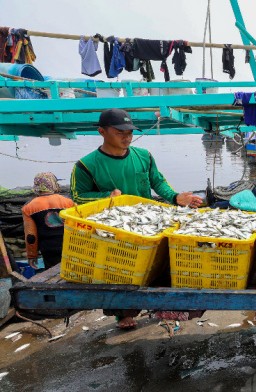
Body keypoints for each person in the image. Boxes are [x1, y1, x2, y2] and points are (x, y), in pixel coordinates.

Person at [71, 108, 203, 329]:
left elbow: (158, 182)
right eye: (119, 132)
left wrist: (175, 197)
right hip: (114, 229)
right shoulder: (86, 165)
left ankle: (163, 307)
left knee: (157, 266)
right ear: (102, 131)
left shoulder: (143, 156)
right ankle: (123, 314)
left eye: (130, 132)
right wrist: (106, 196)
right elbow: (77, 196)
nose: (126, 137)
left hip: (148, 223)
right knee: (120, 271)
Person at [22, 172, 75, 271]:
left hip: (48, 248)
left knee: (52, 274)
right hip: (69, 245)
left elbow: (31, 236)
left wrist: (32, 255)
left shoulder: (28, 207)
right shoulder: (68, 202)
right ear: (54, 184)